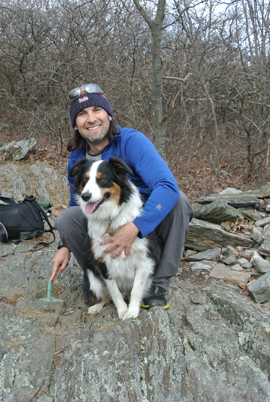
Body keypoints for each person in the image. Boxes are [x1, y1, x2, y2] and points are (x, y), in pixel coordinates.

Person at [50, 83, 193, 309]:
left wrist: (136, 226)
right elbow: (76, 201)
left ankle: (158, 283)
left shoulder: (131, 141)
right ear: (75, 125)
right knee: (67, 218)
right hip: (104, 217)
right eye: (81, 114)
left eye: (97, 110)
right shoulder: (76, 157)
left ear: (108, 115)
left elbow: (167, 185)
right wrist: (64, 245)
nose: (91, 119)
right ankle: (107, 279)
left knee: (179, 201)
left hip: (141, 214)